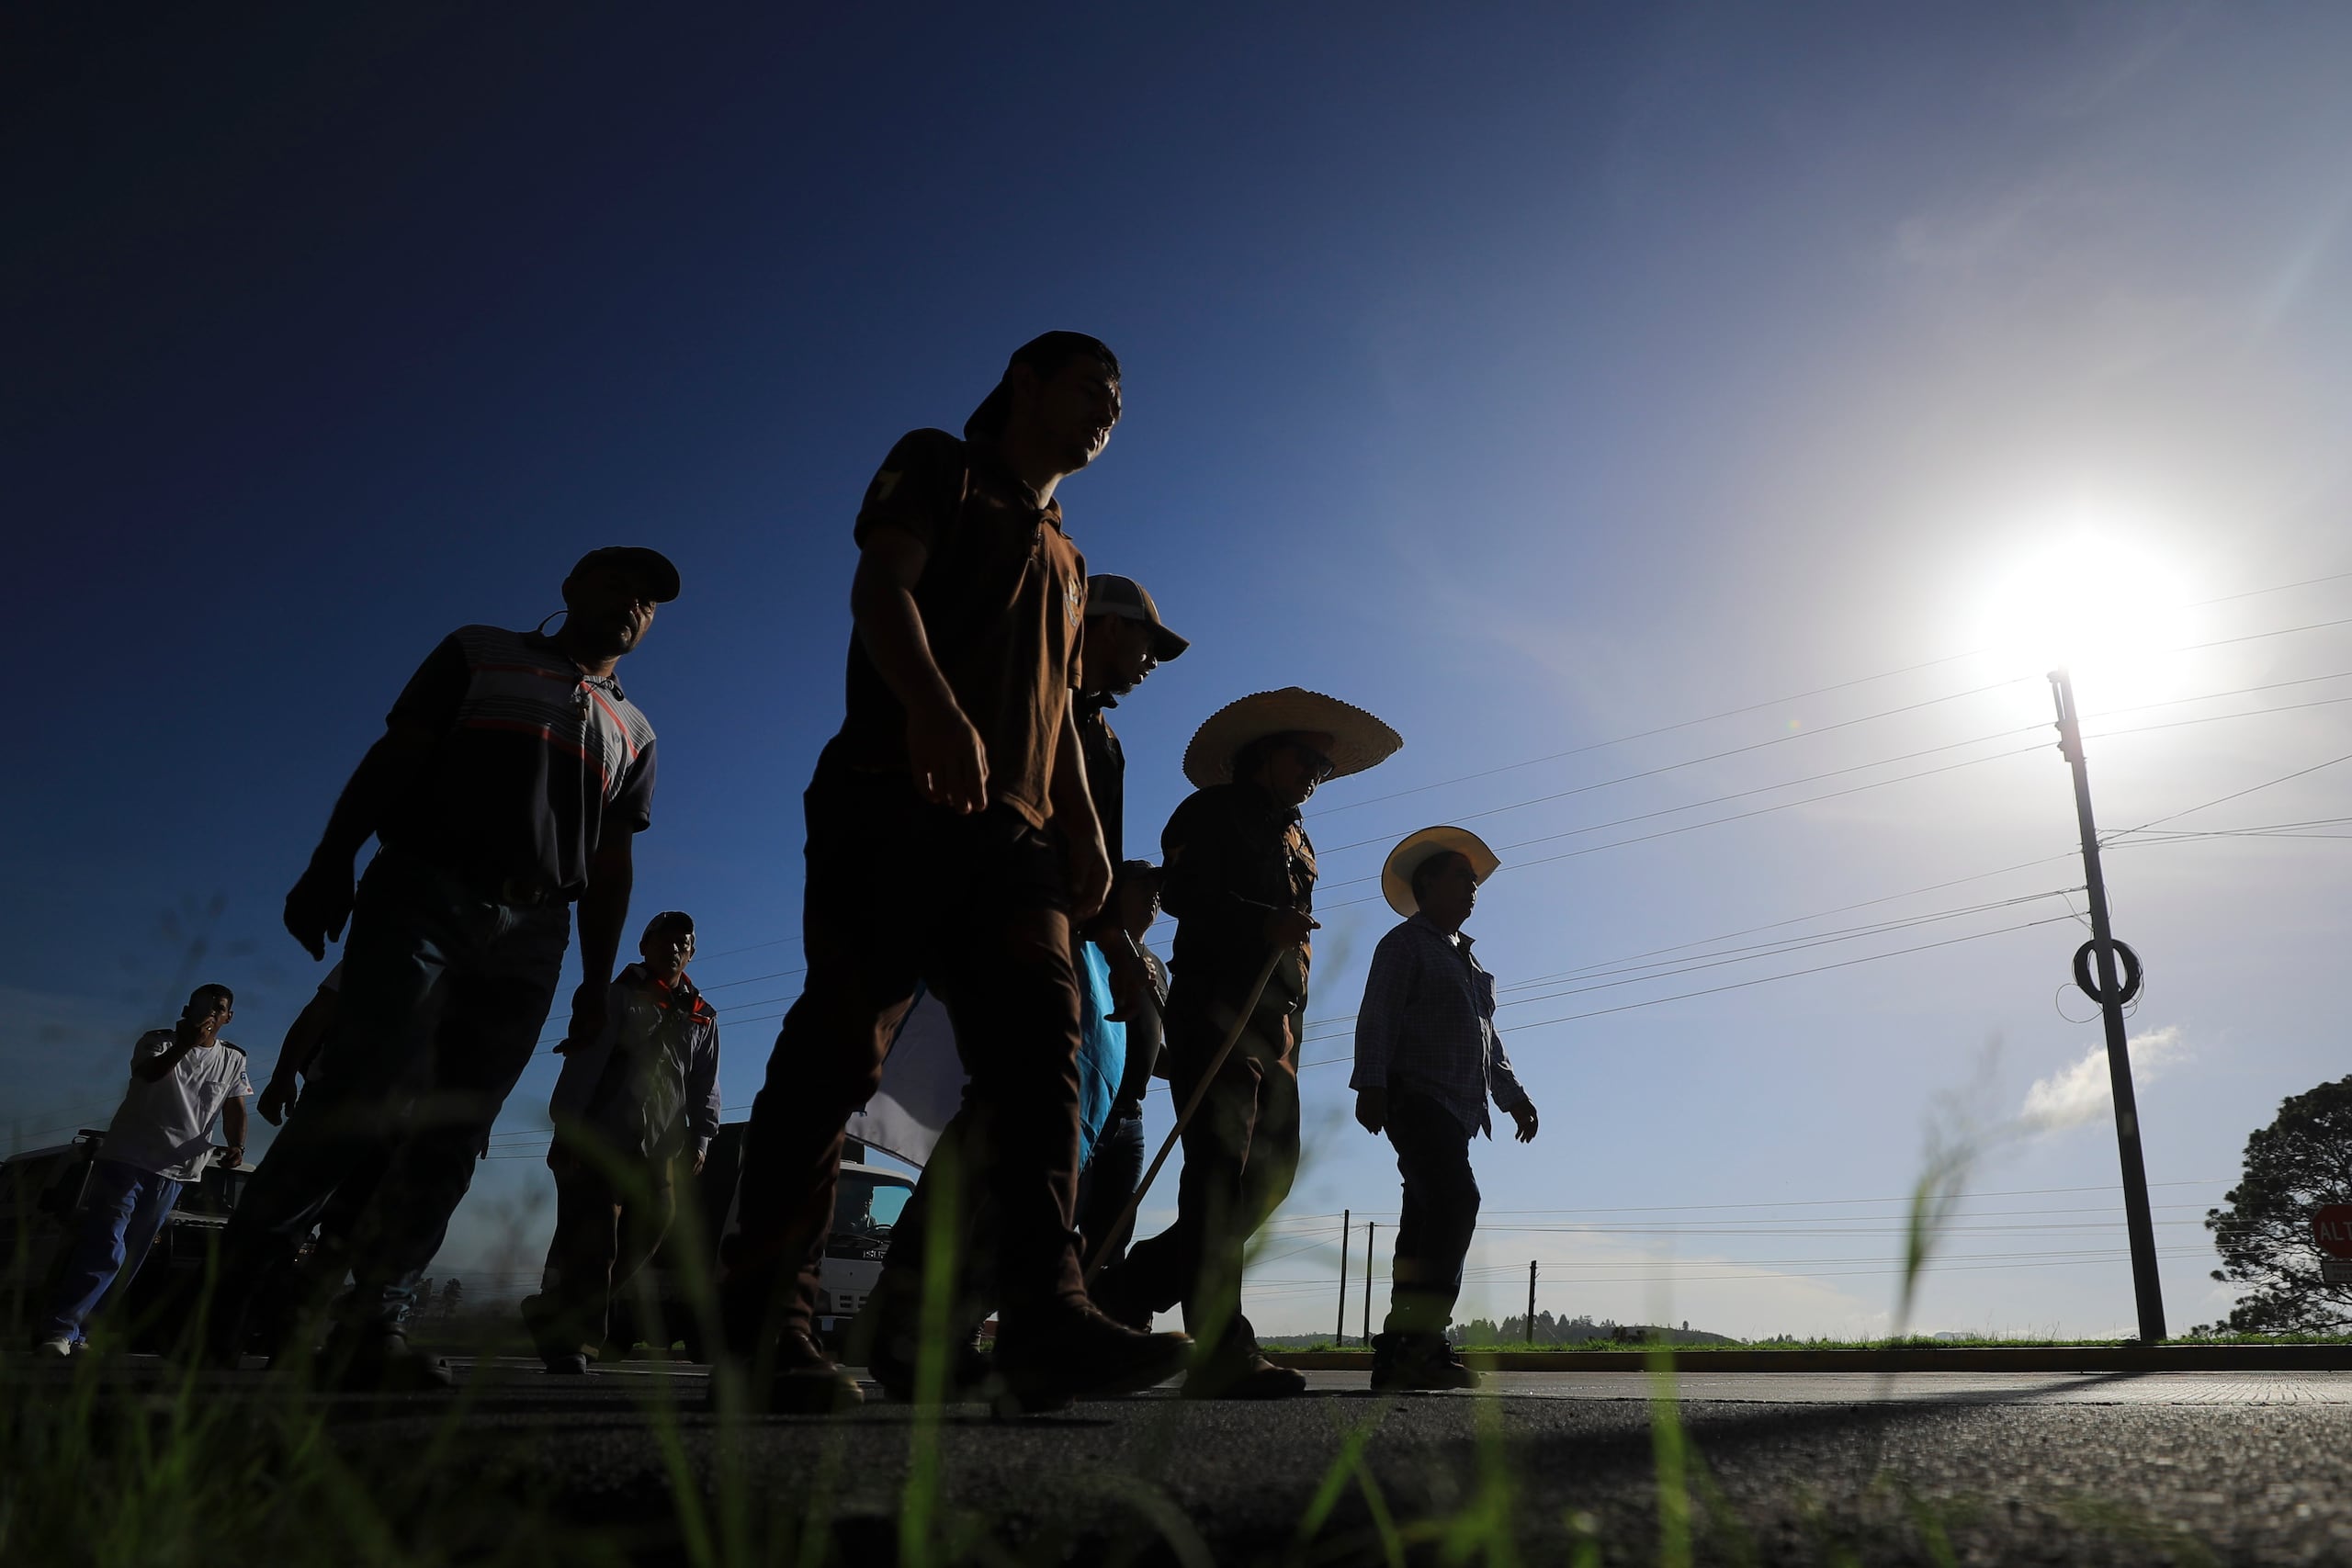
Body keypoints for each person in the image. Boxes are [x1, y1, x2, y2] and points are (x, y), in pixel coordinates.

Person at [720, 333, 1192, 1413]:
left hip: (1017, 845)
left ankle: (1044, 1318)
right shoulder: (944, 467)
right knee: (842, 1046)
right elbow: (881, 588)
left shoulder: (1070, 559)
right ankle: (766, 1325)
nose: (1105, 416)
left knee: (1041, 1062)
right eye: (1090, 391)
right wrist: (933, 707)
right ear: (1025, 381)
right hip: (897, 791)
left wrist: (1078, 827)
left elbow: (1063, 716)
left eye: (1116, 405)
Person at [205, 547, 675, 1388]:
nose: (630, 604)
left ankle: (374, 1321)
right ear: (570, 586)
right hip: (426, 888)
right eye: (615, 582)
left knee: (456, 1125)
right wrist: (331, 859)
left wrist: (595, 980)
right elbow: (400, 753)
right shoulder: (479, 651)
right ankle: (232, 1296)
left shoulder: (634, 732)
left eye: (647, 600)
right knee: (365, 1091)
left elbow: (610, 861)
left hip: (537, 929)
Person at [855, 577, 1186, 1391]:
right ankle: (962, 1326)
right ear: (1104, 626)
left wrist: (1110, 942)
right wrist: (1104, 943)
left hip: (1054, 928)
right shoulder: (1034, 693)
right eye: (1146, 641)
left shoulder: (1099, 736)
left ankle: (924, 1328)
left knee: (1010, 1127)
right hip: (1009, 914)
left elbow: (1092, 859)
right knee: (1023, 1120)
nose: (1151, 661)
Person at [1095, 687, 1401, 1398]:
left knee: (1270, 1175)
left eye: (1324, 768)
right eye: (1306, 760)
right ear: (1266, 753)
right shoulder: (1208, 812)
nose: (1314, 776)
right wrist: (1261, 923)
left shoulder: (1301, 838)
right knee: (1218, 1168)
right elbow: (1182, 894)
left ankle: (1131, 1286)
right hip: (1216, 1006)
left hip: (1277, 1023)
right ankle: (1219, 1344)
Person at [1352, 827, 1539, 1391]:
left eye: (1475, 881)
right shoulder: (1405, 944)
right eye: (1461, 878)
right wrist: (1371, 1083)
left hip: (1458, 1110)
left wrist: (1514, 1098)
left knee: (1426, 1217)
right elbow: (1377, 1013)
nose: (1472, 888)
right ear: (1427, 885)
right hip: (1416, 1097)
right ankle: (1420, 1338)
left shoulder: (1469, 963)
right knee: (1458, 1200)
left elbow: (1489, 1041)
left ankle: (1404, 1349)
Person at [522, 909, 720, 1373]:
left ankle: (555, 1315)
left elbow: (705, 1084)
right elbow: (584, 1065)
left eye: (683, 942)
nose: (674, 948)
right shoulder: (615, 998)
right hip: (602, 1138)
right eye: (664, 940)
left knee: (652, 1228)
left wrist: (703, 1138)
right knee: (598, 1243)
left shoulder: (702, 1017)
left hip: (661, 1148)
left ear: (691, 953)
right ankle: (579, 1344)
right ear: (644, 947)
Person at [32, 985, 250, 1355]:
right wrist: (185, 1044)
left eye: (220, 1009)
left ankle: (85, 1332)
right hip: (128, 1157)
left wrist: (236, 1145)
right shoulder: (158, 1042)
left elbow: (234, 1107)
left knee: (131, 1254)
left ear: (229, 1018)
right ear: (187, 1008)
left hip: (178, 1169)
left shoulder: (233, 1059)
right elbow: (148, 1075)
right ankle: (59, 1328)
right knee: (107, 1243)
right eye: (205, 1006)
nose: (212, 1013)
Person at [1074, 861, 1170, 1279]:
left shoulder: (1159, 969)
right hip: (1087, 1105)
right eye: (1143, 884)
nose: (1154, 894)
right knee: (1056, 1216)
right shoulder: (1091, 947)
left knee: (1113, 1233)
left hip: (1131, 1117)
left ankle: (1096, 1317)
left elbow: (1153, 1051)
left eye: (1158, 888)